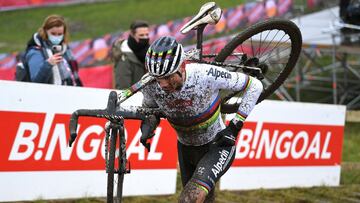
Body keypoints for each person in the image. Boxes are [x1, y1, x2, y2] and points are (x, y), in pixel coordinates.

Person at [138, 36, 263, 202]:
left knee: (189, 199)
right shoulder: (150, 84)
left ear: (181, 66)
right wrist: (148, 125)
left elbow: (255, 85)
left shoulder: (205, 74)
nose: (163, 84)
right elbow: (150, 110)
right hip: (185, 147)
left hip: (216, 146)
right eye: (158, 78)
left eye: (168, 77)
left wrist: (234, 128)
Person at [25, 14, 82, 86]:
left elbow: (73, 76)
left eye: (60, 34)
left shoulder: (65, 49)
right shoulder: (35, 52)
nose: (57, 37)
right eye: (53, 33)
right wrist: (48, 64)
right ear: (45, 31)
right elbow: (36, 82)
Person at [112, 20, 150, 89]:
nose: (145, 38)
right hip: (134, 98)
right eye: (141, 35)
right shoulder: (123, 58)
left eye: (147, 35)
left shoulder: (149, 52)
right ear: (132, 35)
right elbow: (123, 88)